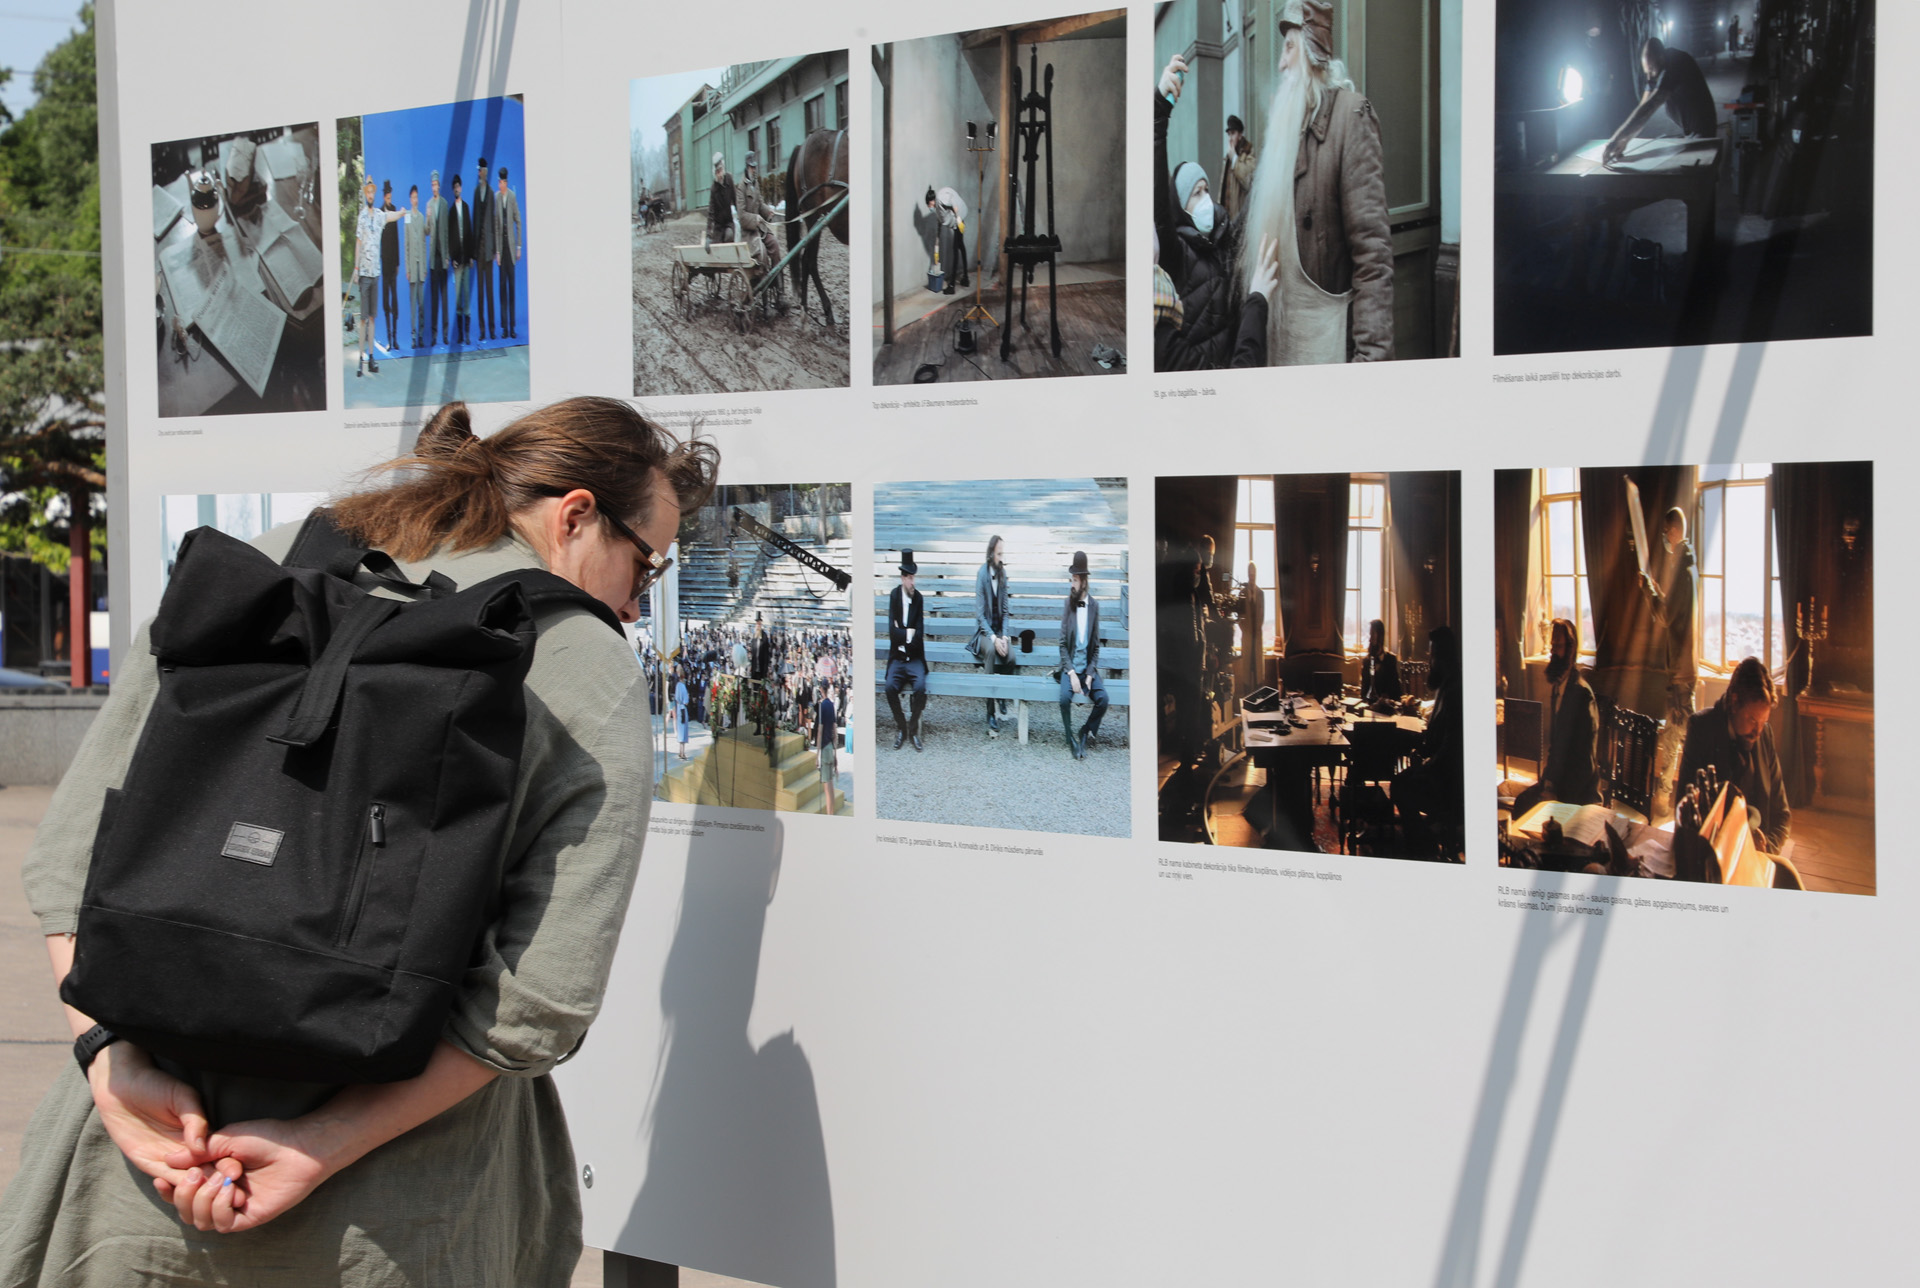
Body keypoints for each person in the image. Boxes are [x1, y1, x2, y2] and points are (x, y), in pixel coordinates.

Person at [0, 396, 720, 1284]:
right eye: (646, 565)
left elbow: (68, 863)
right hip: (403, 1208)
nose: (638, 604)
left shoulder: (265, 565)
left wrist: (114, 1075)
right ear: (575, 515)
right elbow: (540, 1000)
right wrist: (317, 1143)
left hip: (136, 1180)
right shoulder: (582, 661)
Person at [1239, 0, 1394, 365]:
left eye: (1289, 48)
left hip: (1326, 347)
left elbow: (1373, 257)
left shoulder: (1351, 117)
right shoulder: (1286, 132)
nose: (1281, 64)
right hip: (1281, 343)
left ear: (1312, 52)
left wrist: (1371, 363)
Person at [1154, 59, 1280, 371]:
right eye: (1196, 193)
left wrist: (1280, 128)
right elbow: (1158, 198)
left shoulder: (1225, 242)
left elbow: (1257, 195)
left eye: (1206, 190)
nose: (1206, 200)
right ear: (1181, 207)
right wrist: (1159, 113)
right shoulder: (1175, 254)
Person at [1677, 656, 1791, 854]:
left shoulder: (1765, 735)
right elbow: (1684, 809)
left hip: (1757, 854)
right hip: (1712, 852)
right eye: (1752, 720)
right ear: (1734, 702)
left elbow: (1782, 815)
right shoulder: (1701, 729)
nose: (1757, 732)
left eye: (1763, 722)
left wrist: (1767, 848)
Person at [1512, 618, 1600, 818]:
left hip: (1578, 789)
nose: (1553, 652)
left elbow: (1585, 762)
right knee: (1522, 803)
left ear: (1570, 649)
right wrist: (1548, 782)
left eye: (1558, 646)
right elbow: (1556, 747)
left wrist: (1558, 795)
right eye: (1552, 646)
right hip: (1557, 781)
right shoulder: (1558, 687)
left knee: (1535, 814)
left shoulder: (1582, 695)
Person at [1641, 504, 1697, 816]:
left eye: (1665, 531)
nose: (1664, 537)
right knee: (1680, 734)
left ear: (1674, 531)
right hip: (1685, 668)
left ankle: (1665, 800)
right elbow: (1674, 610)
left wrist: (1649, 591)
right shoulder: (1689, 567)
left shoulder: (1683, 572)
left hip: (1680, 671)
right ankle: (1671, 798)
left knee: (1677, 737)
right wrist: (1659, 592)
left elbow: (1665, 616)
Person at [1392, 625, 1462, 841]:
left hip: (1448, 782)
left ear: (1441, 657)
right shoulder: (1445, 686)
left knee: (1400, 786)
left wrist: (1424, 766)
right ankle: (1421, 835)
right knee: (1401, 779)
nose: (1430, 660)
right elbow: (1435, 738)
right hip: (1440, 771)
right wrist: (1415, 743)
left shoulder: (1455, 692)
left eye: (1432, 655)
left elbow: (1450, 748)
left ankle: (1421, 844)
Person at [1602, 37, 1719, 164]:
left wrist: (1615, 138)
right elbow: (1643, 107)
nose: (1649, 77)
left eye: (1651, 70)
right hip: (1688, 128)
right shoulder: (1655, 70)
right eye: (1646, 72)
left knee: (1699, 167)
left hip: (1702, 129)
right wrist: (1625, 140)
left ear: (1661, 59)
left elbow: (1649, 109)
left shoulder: (1675, 64)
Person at [1058, 551, 1110, 761]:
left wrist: (1089, 675)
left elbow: (1095, 647)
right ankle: (1069, 736)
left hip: (1087, 669)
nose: (1072, 584)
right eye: (1071, 579)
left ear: (1084, 581)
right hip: (1071, 668)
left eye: (1075, 580)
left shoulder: (1094, 606)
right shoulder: (1067, 604)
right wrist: (1071, 673)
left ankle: (1085, 731)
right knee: (1064, 699)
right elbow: (1062, 645)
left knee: (1103, 699)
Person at [353, 178, 403, 377]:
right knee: (363, 319)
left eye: (372, 192)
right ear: (365, 194)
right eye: (368, 192)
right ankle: (360, 359)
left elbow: (391, 216)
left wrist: (402, 213)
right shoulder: (362, 217)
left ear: (375, 194)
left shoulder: (380, 215)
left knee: (372, 318)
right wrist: (356, 268)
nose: (370, 195)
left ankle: (372, 357)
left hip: (376, 273)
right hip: (365, 274)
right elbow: (358, 243)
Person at [884, 551, 928, 752]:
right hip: (897, 657)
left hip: (915, 657)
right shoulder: (894, 596)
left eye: (913, 578)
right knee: (889, 687)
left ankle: (913, 729)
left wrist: (904, 634)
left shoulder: (918, 598)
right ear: (902, 578)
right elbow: (891, 633)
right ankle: (902, 727)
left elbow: (919, 635)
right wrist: (908, 633)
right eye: (909, 578)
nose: (912, 582)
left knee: (920, 688)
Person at [975, 534, 1017, 737]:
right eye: (999, 554)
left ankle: (1002, 694)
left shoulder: (1003, 573)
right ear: (991, 553)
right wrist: (994, 638)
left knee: (1011, 657)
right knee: (991, 652)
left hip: (1000, 632)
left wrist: (1005, 637)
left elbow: (1006, 611)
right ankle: (990, 711)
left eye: (1002, 554)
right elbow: (980, 615)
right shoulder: (981, 574)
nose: (1002, 558)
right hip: (984, 633)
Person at [738, 153, 782, 277]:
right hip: (748, 233)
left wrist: (768, 211)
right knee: (762, 253)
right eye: (752, 167)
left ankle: (776, 279)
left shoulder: (755, 183)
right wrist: (754, 218)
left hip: (760, 229)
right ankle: (762, 280)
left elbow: (760, 203)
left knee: (774, 244)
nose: (754, 170)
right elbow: (741, 216)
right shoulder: (741, 188)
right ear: (747, 167)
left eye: (755, 167)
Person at [446, 172, 476, 346]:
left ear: (461, 188)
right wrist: (452, 257)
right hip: (457, 261)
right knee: (458, 299)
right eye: (454, 187)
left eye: (458, 186)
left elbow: (470, 232)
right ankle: (459, 335)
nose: (456, 189)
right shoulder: (451, 212)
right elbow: (450, 237)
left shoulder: (465, 207)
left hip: (467, 259)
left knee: (467, 296)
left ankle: (467, 335)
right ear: (453, 190)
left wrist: (471, 256)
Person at [925, 185, 969, 294]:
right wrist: (936, 251)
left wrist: (959, 219)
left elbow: (953, 204)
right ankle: (966, 278)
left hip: (959, 218)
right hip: (957, 220)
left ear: (931, 201)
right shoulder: (938, 211)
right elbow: (938, 230)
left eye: (929, 205)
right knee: (960, 246)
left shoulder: (941, 199)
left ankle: (952, 285)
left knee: (956, 248)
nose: (929, 207)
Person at [495, 167, 523, 340]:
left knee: (511, 288)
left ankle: (512, 326)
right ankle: (504, 327)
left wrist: (519, 246)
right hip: (502, 250)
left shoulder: (512, 197)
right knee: (502, 289)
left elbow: (518, 221)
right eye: (499, 182)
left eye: (503, 182)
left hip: (511, 249)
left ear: (506, 182)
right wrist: (497, 251)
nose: (501, 185)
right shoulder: (497, 198)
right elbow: (496, 226)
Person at [472, 156, 497, 342]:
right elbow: (475, 221)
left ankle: (492, 328)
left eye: (481, 170)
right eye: (479, 171)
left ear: (485, 172)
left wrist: (495, 249)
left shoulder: (491, 193)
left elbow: (494, 222)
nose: (480, 173)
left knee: (489, 291)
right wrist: (473, 252)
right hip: (479, 251)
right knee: (480, 292)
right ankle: (482, 329)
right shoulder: (475, 192)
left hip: (489, 250)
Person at [424, 170, 450, 346]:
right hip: (433, 258)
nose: (434, 187)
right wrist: (427, 218)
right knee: (434, 298)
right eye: (432, 185)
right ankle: (434, 335)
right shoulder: (429, 205)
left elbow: (446, 231)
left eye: (436, 185)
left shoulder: (444, 203)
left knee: (444, 297)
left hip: (443, 257)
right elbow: (427, 231)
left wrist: (447, 256)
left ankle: (445, 334)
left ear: (439, 186)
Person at [404, 183, 429, 349]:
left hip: (421, 266)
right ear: (410, 199)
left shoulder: (421, 217)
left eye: (417, 197)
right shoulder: (407, 217)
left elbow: (425, 238)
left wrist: (424, 267)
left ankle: (421, 335)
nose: (415, 200)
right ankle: (413, 336)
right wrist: (408, 269)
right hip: (412, 266)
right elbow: (406, 245)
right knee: (413, 304)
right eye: (413, 197)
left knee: (421, 303)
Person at [1220, 114, 1257, 226]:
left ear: (1240, 135)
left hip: (1241, 219)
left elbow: (1248, 181)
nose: (1230, 138)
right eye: (1229, 134)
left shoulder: (1248, 153)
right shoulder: (1228, 157)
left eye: (1233, 134)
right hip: (1227, 218)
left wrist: (1235, 160)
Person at [378, 180, 402, 351]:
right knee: (386, 301)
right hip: (384, 263)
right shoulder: (379, 213)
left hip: (393, 263)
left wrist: (398, 262)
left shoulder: (394, 210)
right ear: (383, 196)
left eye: (390, 195)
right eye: (387, 196)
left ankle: (395, 338)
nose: (389, 198)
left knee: (394, 301)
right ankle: (388, 339)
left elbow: (396, 239)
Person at [1360, 618, 1401, 709]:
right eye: (1370, 634)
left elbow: (1396, 690)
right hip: (1371, 707)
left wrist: (1387, 699)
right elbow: (1363, 691)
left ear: (1380, 636)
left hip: (1388, 707)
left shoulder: (1391, 660)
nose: (1370, 639)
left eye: (1373, 634)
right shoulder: (1366, 661)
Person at [1240, 561, 1265, 695]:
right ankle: (1246, 697)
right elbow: (1240, 617)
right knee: (1246, 669)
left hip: (1257, 637)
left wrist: (1256, 630)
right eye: (1250, 575)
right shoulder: (1242, 593)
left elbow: (1262, 615)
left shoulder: (1260, 593)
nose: (1252, 578)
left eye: (1253, 575)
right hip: (1247, 637)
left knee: (1258, 670)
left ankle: (1258, 697)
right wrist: (1246, 630)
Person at [705, 152, 737, 247]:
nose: (720, 175)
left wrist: (741, 219)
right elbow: (711, 213)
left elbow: (736, 201)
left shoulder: (729, 180)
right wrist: (708, 235)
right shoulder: (714, 189)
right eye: (717, 172)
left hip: (729, 223)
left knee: (729, 236)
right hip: (718, 226)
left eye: (721, 170)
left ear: (723, 169)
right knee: (715, 246)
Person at [816, 681, 838, 816]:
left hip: (824, 748)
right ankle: (832, 814)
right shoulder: (831, 705)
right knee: (831, 786)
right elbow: (834, 730)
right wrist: (835, 753)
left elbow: (820, 731)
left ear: (820, 689)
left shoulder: (822, 706)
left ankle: (829, 816)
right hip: (831, 747)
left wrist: (817, 755)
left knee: (826, 788)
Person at [674, 666, 691, 760]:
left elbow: (677, 699)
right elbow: (686, 701)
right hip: (683, 708)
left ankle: (680, 751)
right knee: (683, 730)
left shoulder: (678, 686)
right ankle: (682, 752)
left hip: (679, 708)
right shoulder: (683, 687)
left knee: (680, 729)